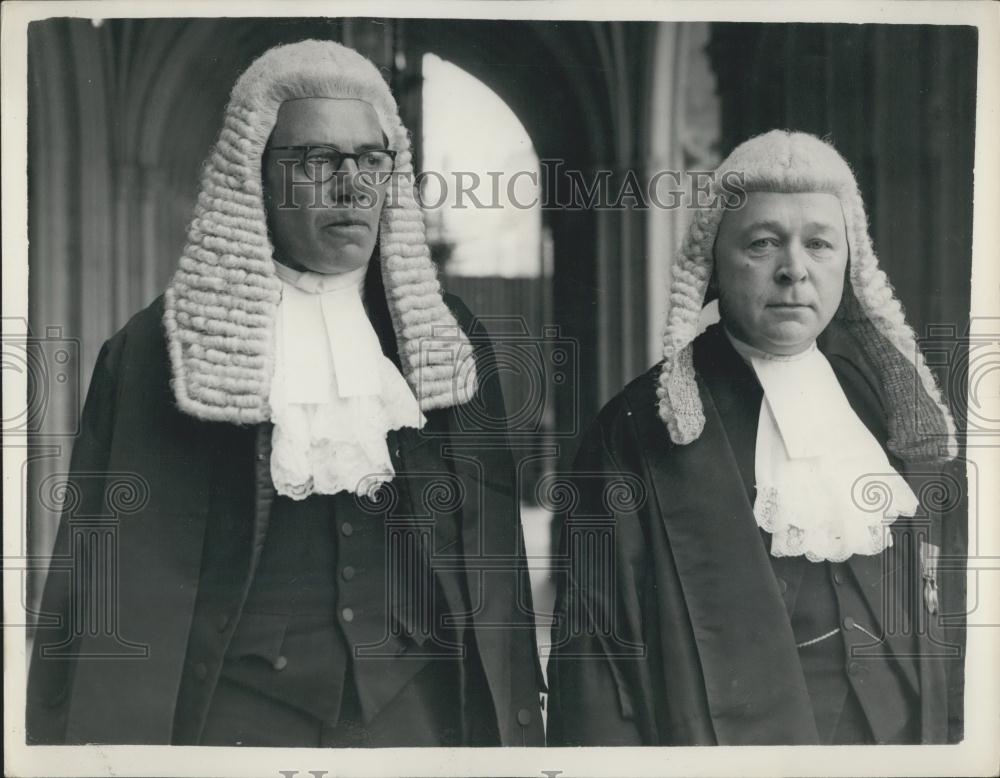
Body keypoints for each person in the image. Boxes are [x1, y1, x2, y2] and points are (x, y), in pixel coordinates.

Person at [26, 40, 544, 747]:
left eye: (370, 159)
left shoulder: (446, 338)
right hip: (235, 721)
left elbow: (493, 557)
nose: (351, 185)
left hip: (418, 720)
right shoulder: (159, 348)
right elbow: (106, 580)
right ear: (255, 177)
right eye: (315, 161)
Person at [546, 130, 957, 746]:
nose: (795, 269)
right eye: (763, 243)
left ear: (851, 261)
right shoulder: (634, 432)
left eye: (819, 243)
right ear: (713, 262)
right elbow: (597, 679)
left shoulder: (886, 410)